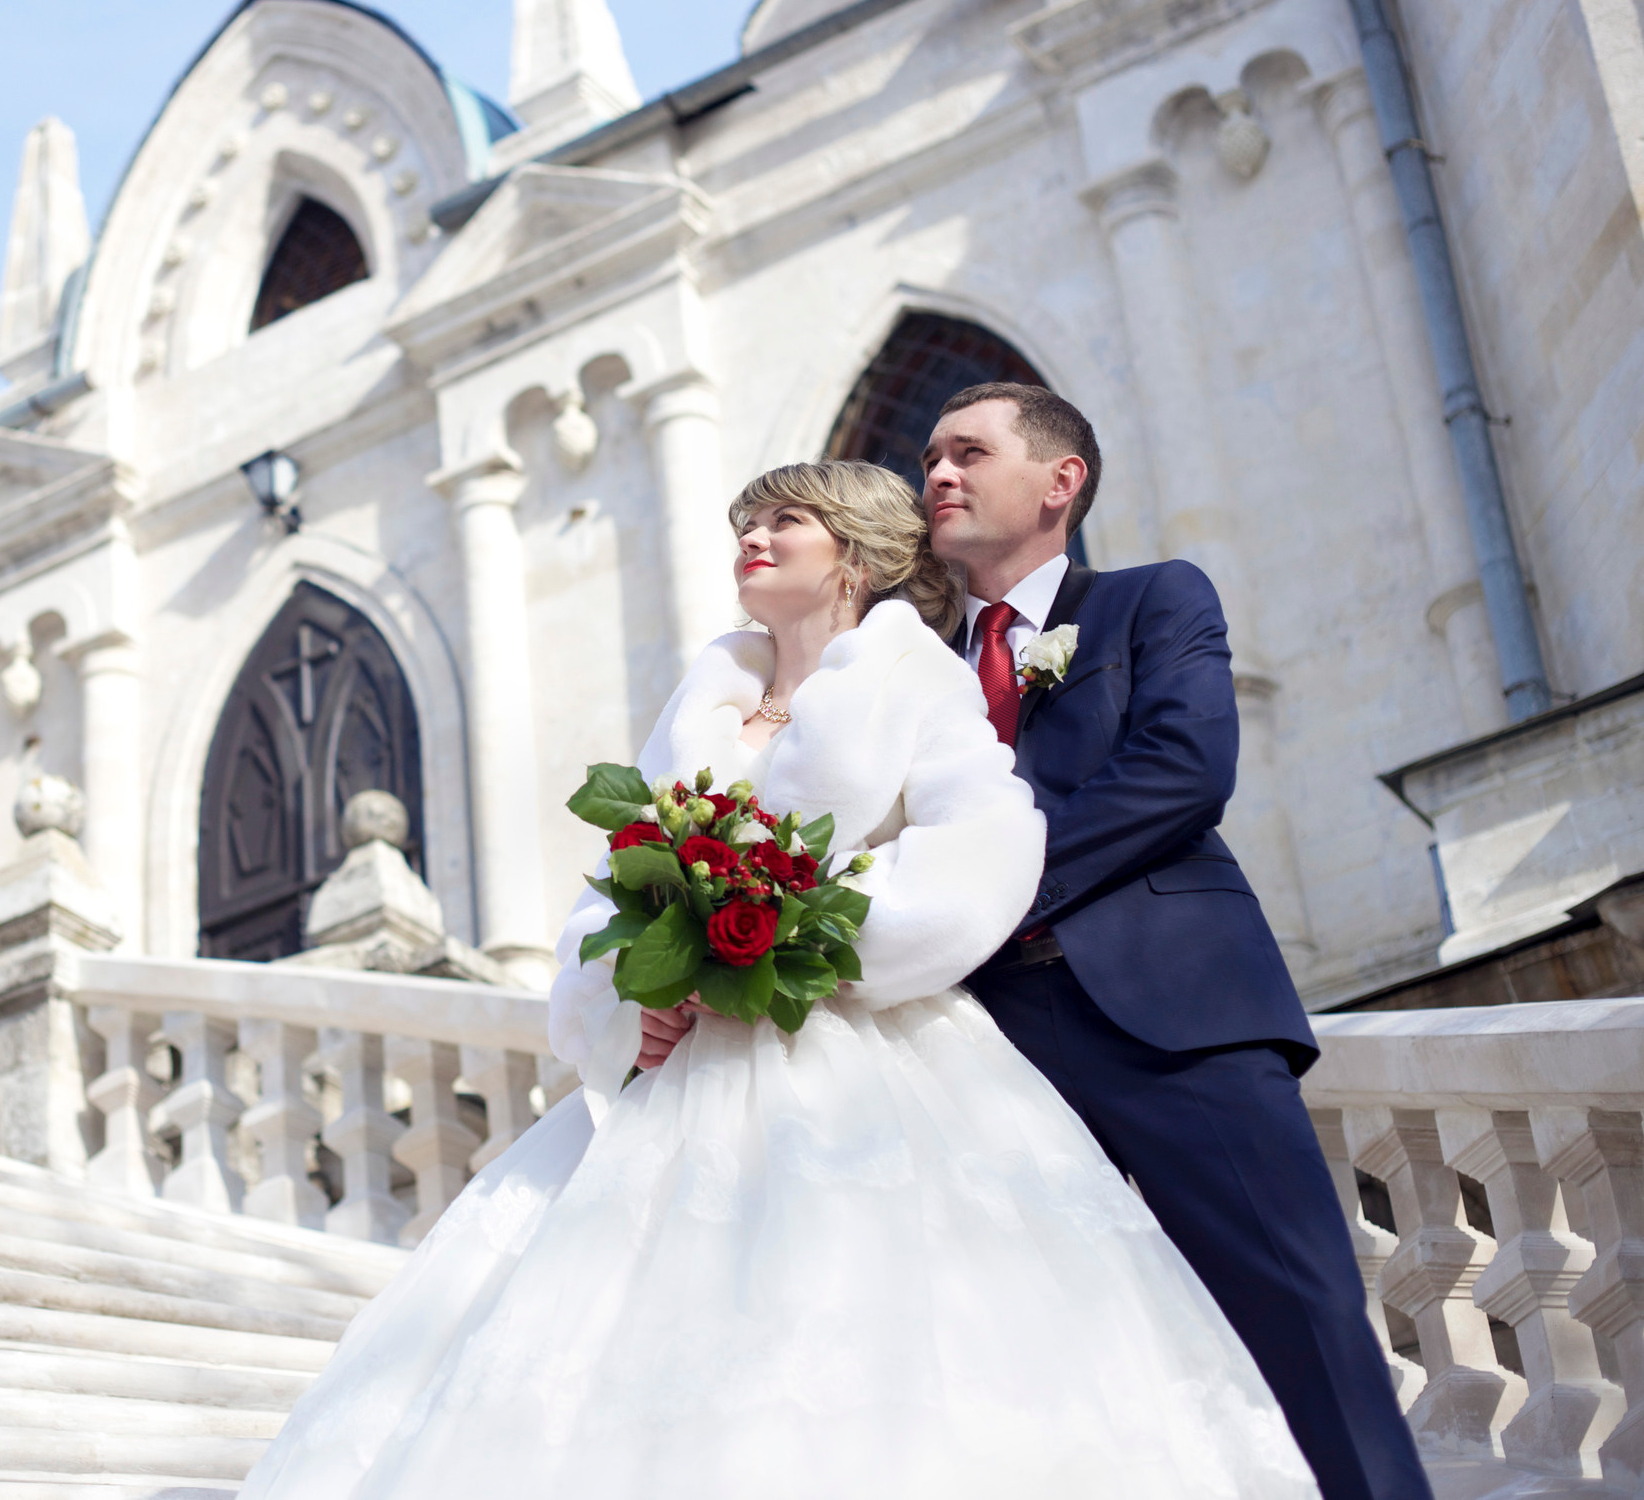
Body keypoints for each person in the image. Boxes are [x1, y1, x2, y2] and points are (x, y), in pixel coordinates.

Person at [238, 460, 1319, 1500]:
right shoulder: (702, 698)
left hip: (860, 1056)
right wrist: (635, 995)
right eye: (744, 526)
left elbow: (982, 846)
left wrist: (791, 949)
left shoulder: (918, 679)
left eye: (781, 523)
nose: (751, 541)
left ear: (851, 558)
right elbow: (611, 884)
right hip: (682, 1077)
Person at [922, 382, 1431, 1500]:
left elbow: (1182, 771)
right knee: (1080, 1366)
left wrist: (987, 888)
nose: (939, 475)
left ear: (1062, 482)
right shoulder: (912, 677)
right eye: (931, 459)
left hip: (1173, 1019)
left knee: (1302, 1324)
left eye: (969, 452)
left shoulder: (1153, 601)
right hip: (984, 1051)